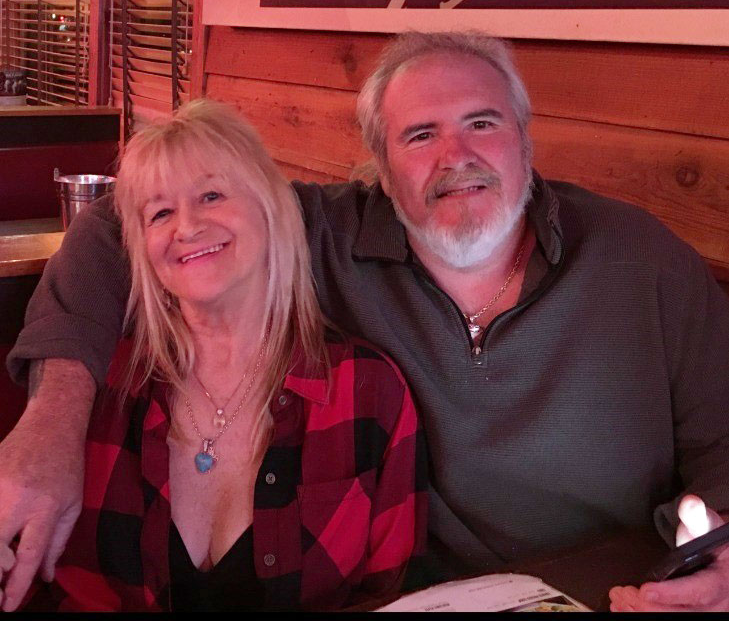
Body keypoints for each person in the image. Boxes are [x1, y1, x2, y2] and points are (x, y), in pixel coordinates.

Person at [2, 31, 729, 613]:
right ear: (379, 166)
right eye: (420, 135)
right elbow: (119, 229)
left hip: (613, 588)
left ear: (524, 139)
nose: (456, 156)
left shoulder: (640, 258)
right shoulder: (322, 234)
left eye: (481, 123)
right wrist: (52, 425)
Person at [15, 100, 426, 611]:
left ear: (271, 210)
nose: (186, 227)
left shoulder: (368, 390)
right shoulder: (100, 392)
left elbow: (389, 598)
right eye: (160, 213)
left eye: (211, 195)